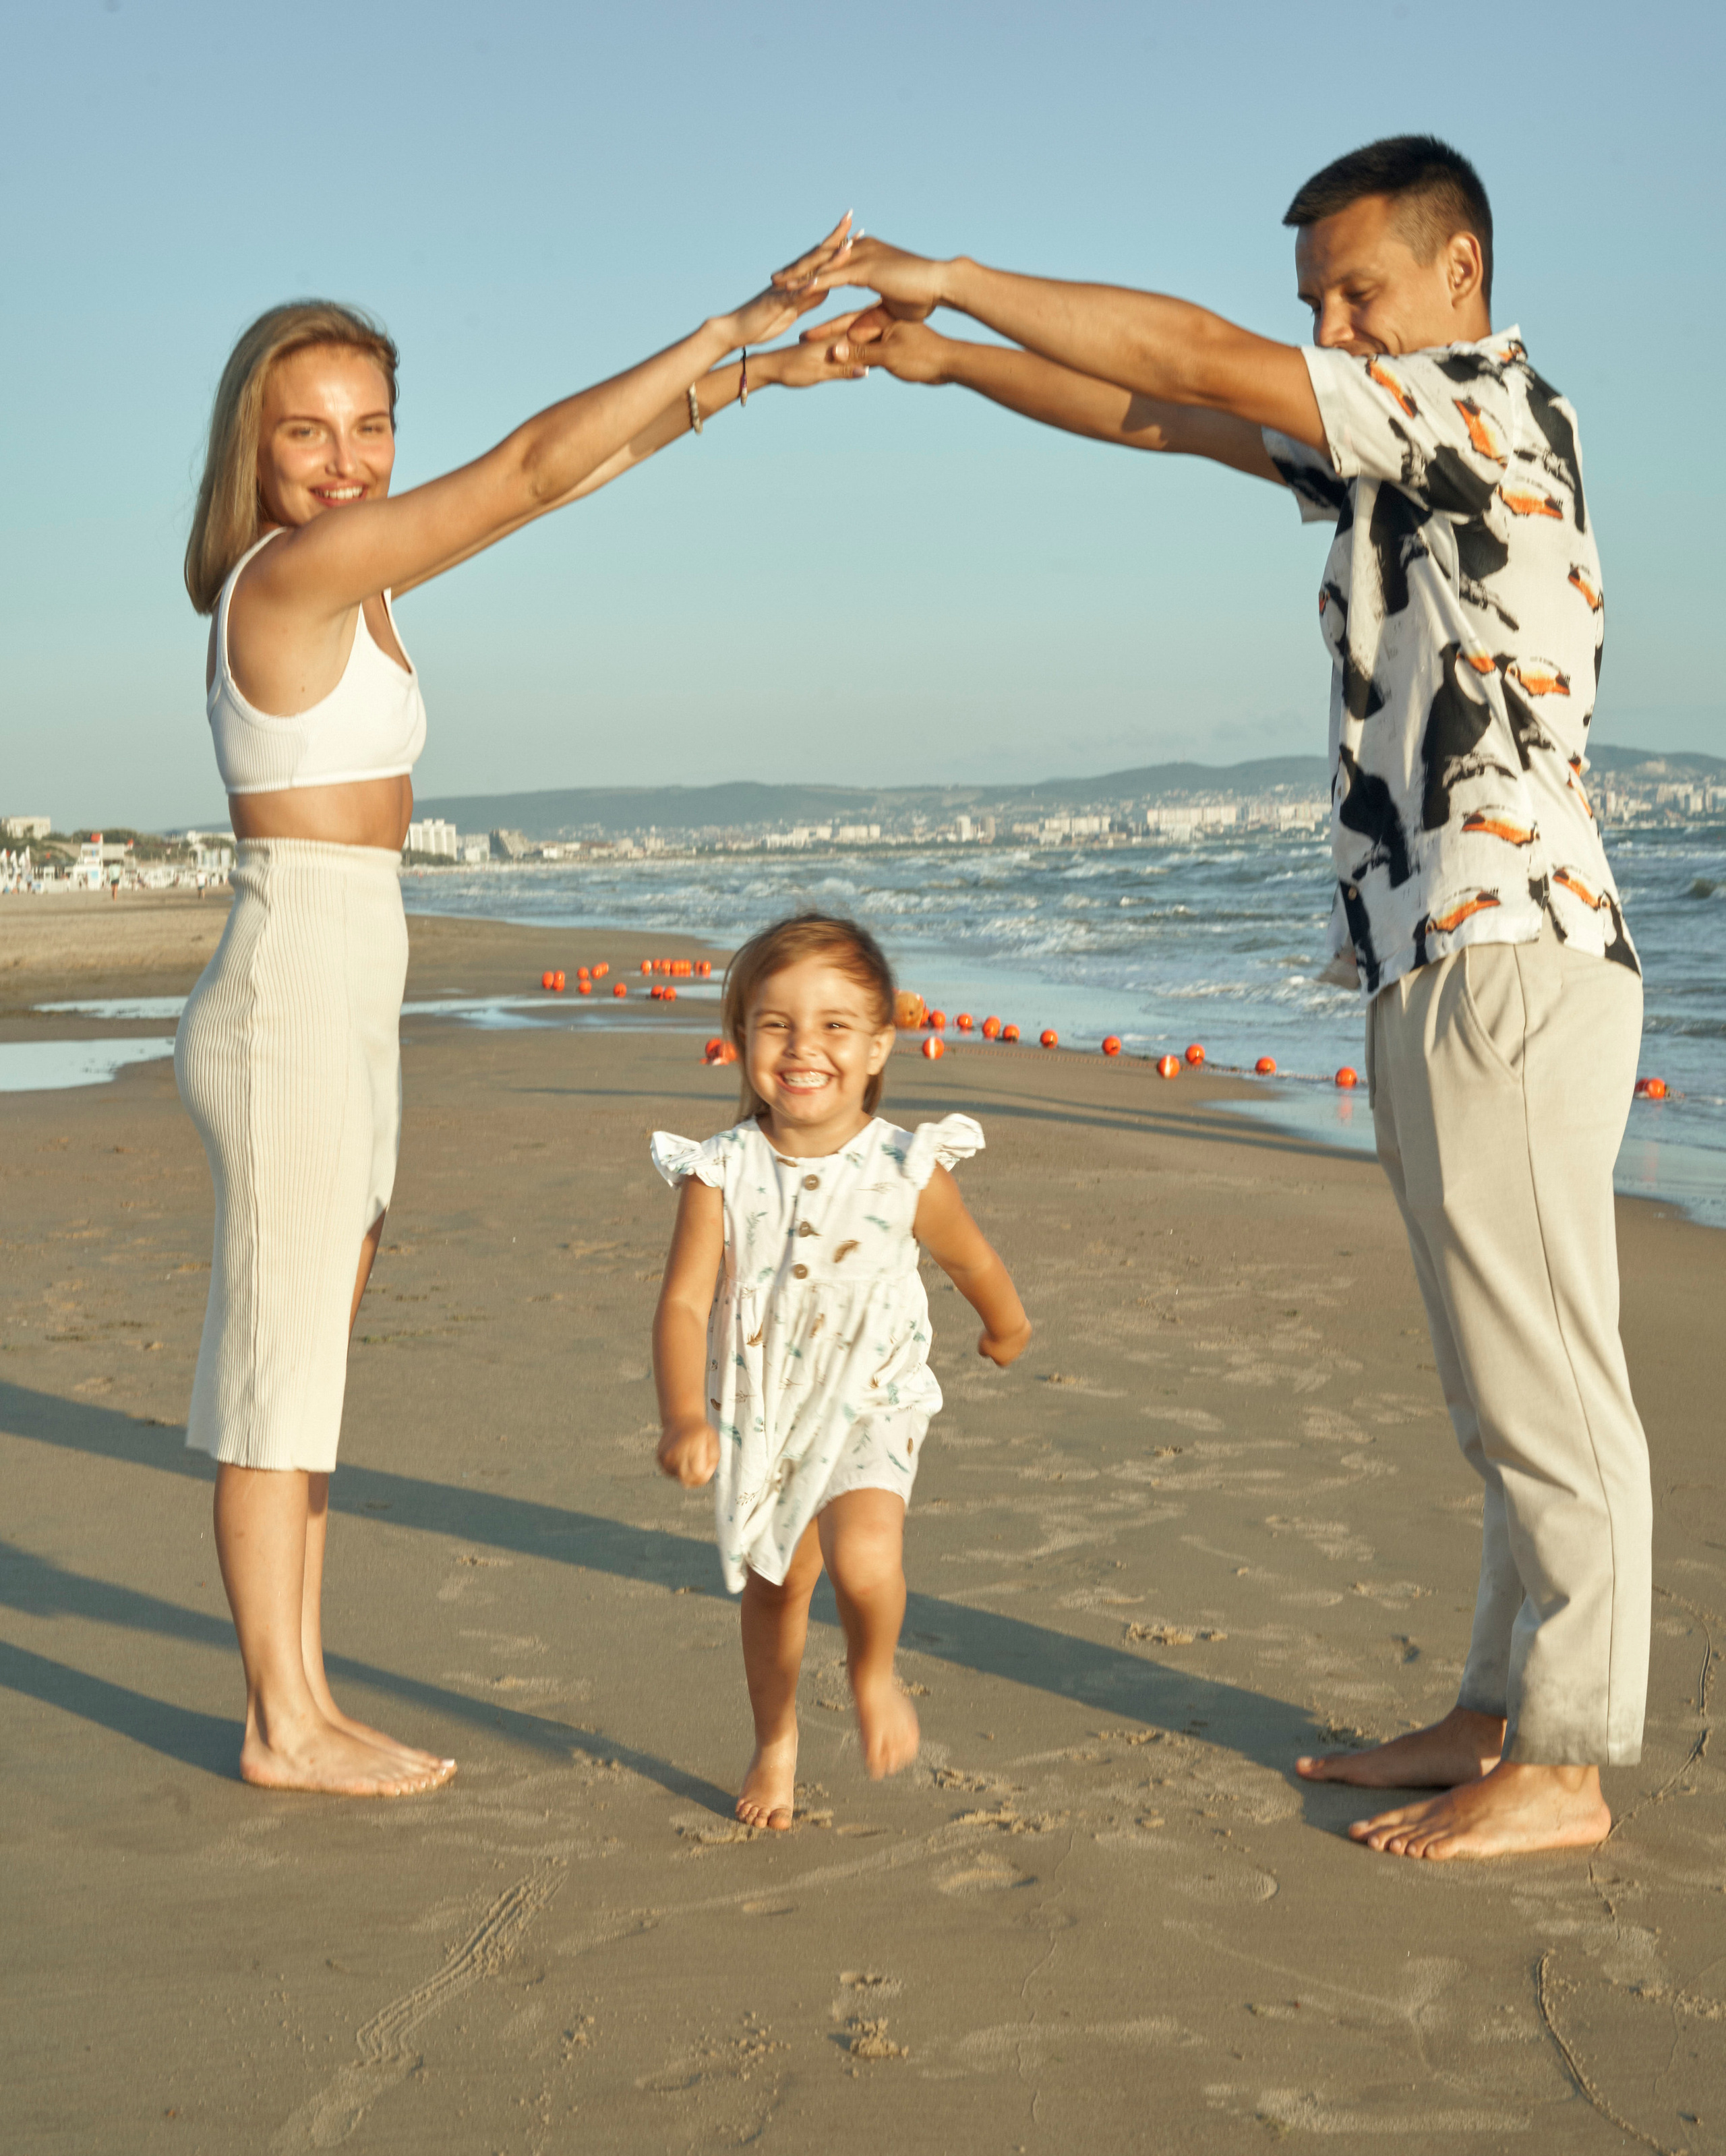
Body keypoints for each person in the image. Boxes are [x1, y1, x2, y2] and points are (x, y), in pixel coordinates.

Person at [804, 137, 1650, 1861]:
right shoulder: (1386, 444)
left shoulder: (1479, 408)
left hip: (1514, 948)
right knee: (1493, 1377)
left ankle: (1563, 1764)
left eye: (1358, 292)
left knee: (1548, 1378)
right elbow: (1160, 414)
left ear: (1459, 274)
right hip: (1434, 946)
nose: (1331, 328)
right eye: (1314, 308)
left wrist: (949, 273)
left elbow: (1189, 358)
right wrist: (955, 366)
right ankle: (1494, 1713)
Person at [177, 221, 861, 1798]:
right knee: (276, 1375)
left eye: (370, 428)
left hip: (344, 980)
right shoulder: (288, 576)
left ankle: (304, 1698)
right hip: (293, 989)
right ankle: (280, 1722)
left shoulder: (367, 582)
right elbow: (533, 466)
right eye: (307, 431)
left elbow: (564, 480)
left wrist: (748, 381)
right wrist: (727, 323)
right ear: (254, 449)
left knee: (307, 1369)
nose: (345, 461)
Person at [651, 914, 1031, 1829]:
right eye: (774, 1024)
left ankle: (872, 1674)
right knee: (779, 1590)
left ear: (876, 1046)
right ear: (740, 1040)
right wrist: (681, 1419)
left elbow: (970, 1259)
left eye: (833, 1025)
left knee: (865, 1556)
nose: (802, 1046)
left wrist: (1007, 1324)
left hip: (874, 1395)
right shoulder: (721, 1174)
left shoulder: (906, 1168)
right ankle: (774, 1736)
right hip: (768, 1408)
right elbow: (683, 1305)